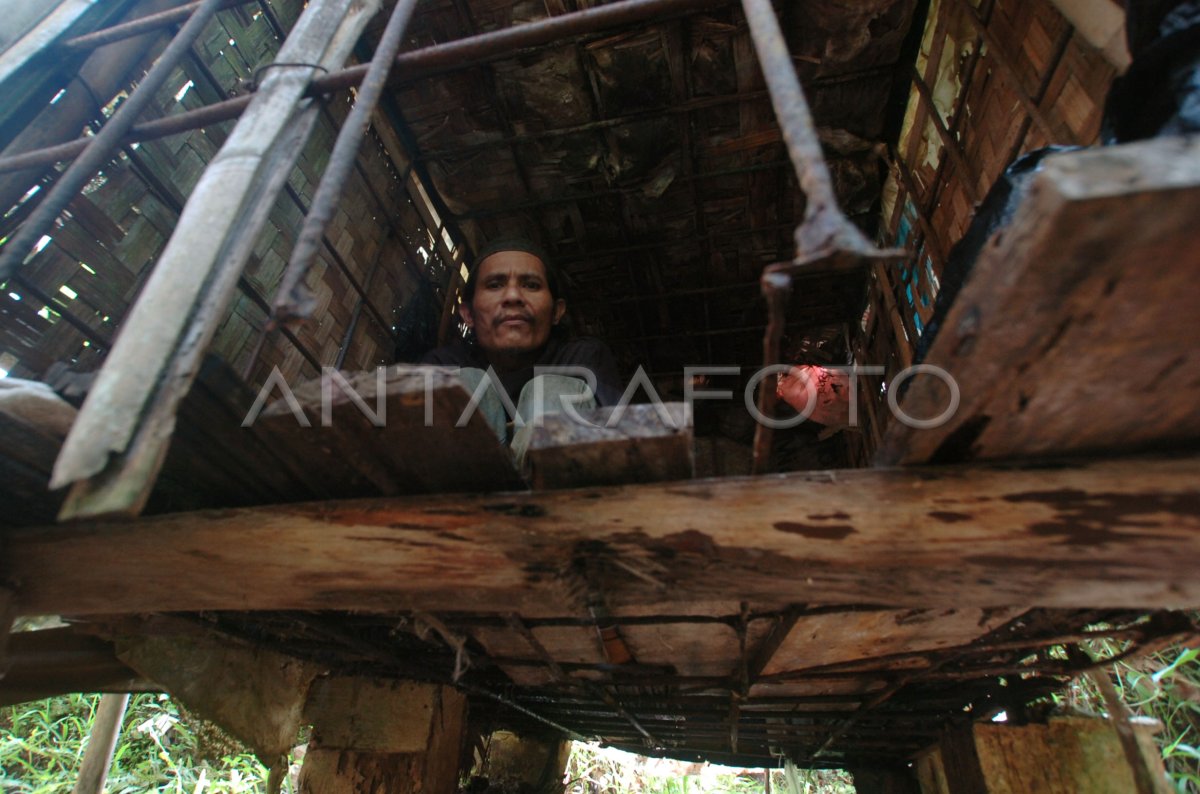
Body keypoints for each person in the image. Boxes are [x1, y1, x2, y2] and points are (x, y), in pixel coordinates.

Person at [421, 238, 622, 455]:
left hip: (569, 481)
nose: (513, 296)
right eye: (495, 285)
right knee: (465, 384)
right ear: (468, 314)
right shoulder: (444, 364)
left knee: (551, 392)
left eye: (531, 285)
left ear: (556, 311)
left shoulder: (583, 358)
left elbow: (622, 442)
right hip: (464, 484)